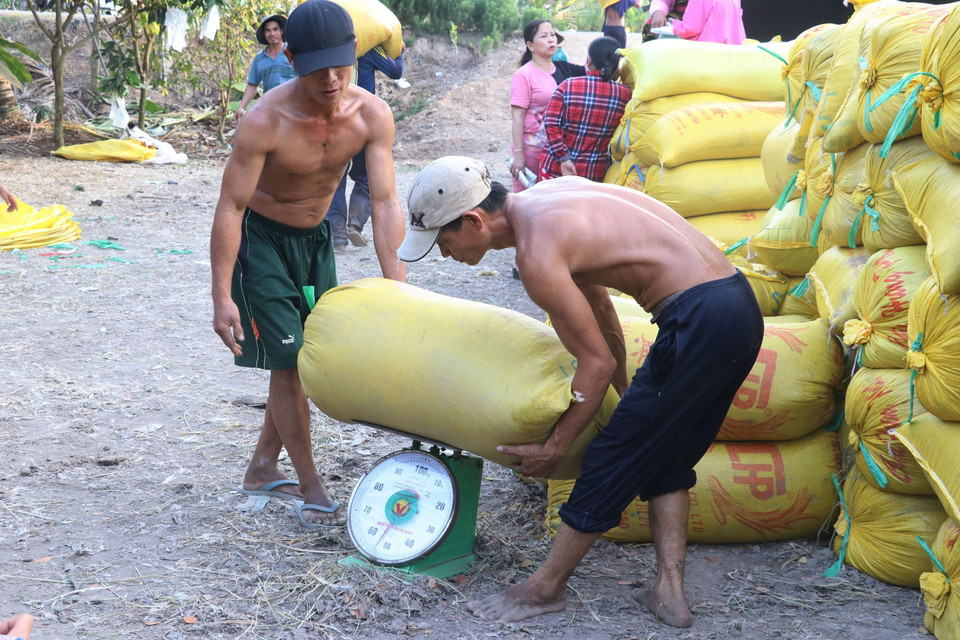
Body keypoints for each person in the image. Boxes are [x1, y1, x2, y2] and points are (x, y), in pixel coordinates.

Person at [396, 157, 763, 628]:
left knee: (611, 455)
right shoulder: (551, 198)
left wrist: (556, 446)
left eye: (442, 242)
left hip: (699, 320)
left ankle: (544, 589)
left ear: (473, 221)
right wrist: (629, 393)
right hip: (737, 308)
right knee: (666, 457)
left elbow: (595, 363)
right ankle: (669, 592)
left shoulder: (536, 255)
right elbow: (603, 314)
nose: (445, 255)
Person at [210, 0, 406, 529]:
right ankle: (311, 484)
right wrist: (221, 295)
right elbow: (230, 206)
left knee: (306, 354)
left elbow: (385, 200)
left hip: (317, 242)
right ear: (292, 59)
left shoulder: (371, 114)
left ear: (355, 52)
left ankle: (261, 468)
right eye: (318, 69)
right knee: (290, 361)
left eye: (341, 65)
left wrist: (399, 287)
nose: (332, 79)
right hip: (262, 242)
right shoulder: (264, 121)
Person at [328, 45, 406, 254]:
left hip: (336, 122)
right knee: (367, 177)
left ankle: (338, 238)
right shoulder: (369, 51)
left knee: (335, 180)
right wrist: (399, 52)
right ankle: (355, 223)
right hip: (364, 122)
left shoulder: (331, 55)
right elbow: (396, 72)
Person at [539, 37, 631, 182]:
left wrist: (563, 158)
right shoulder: (625, 94)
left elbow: (550, 124)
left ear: (589, 60)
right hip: (594, 174)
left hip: (556, 169)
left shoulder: (567, 85)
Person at [509, 19, 585, 193]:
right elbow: (517, 117)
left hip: (557, 151)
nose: (551, 39)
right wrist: (519, 154)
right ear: (530, 45)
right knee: (530, 202)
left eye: (552, 35)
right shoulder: (524, 75)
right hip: (532, 152)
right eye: (544, 36)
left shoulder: (562, 70)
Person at [234, 14, 296, 121]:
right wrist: (241, 107)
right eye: (268, 30)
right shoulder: (259, 59)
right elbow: (252, 85)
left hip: (293, 110)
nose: (272, 34)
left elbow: (305, 79)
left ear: (282, 31)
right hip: (270, 111)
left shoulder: (293, 53)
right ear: (264, 33)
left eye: (275, 29)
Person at [669, 0, 745, 45]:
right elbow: (740, 31)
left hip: (704, 53)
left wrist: (676, 24)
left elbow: (690, 28)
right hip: (730, 54)